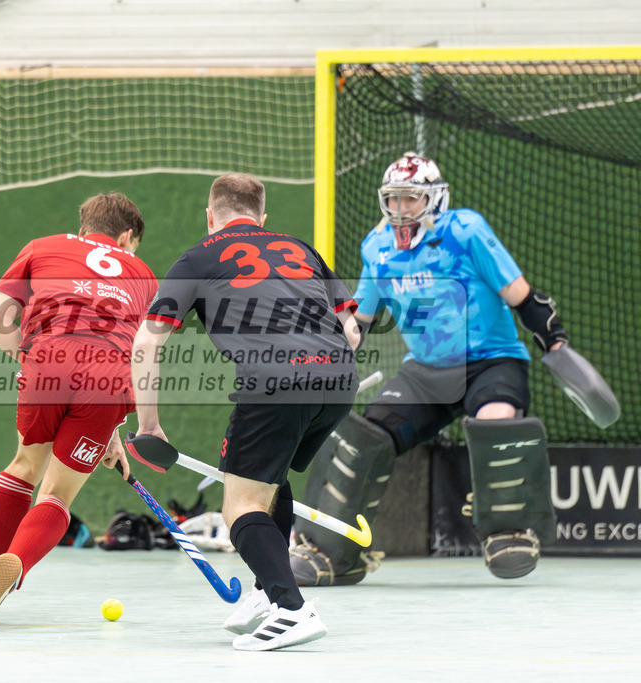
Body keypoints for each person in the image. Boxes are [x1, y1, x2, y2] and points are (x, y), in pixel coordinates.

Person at [291, 152, 573, 586]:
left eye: (411, 198)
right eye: (394, 199)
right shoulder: (377, 247)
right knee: (362, 439)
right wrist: (327, 355)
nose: (401, 209)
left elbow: (521, 296)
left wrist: (554, 340)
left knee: (497, 421)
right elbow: (361, 322)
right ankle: (331, 550)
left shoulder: (466, 231)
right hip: (425, 371)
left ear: (434, 199)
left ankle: (510, 533)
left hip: (491, 360)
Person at [129, 173, 361, 652]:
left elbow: (147, 341)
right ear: (262, 218)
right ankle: (263, 589)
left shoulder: (198, 256)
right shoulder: (300, 249)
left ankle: (291, 608)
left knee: (241, 505)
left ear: (210, 217)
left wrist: (148, 425)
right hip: (340, 379)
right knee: (267, 479)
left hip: (276, 381)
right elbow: (352, 331)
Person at [0, 192, 158, 631]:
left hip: (46, 360)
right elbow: (136, 353)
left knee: (24, 466)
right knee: (57, 494)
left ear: (84, 227)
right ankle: (13, 568)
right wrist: (114, 426)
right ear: (126, 237)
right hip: (110, 379)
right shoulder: (142, 273)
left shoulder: (42, 247)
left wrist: (33, 360)